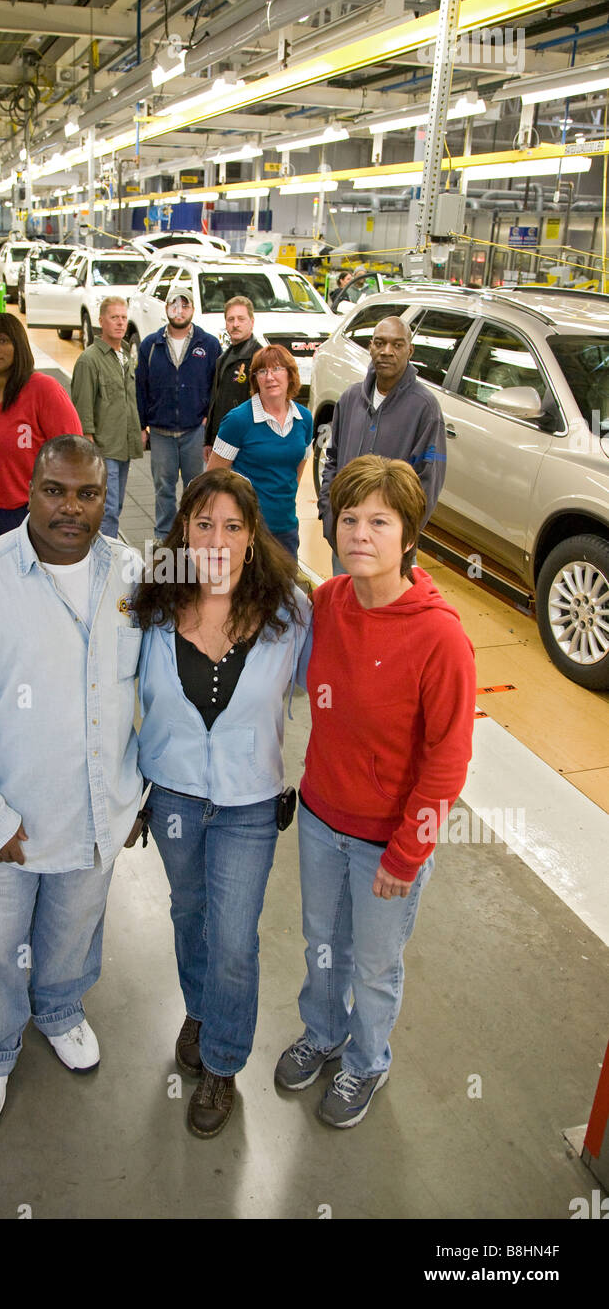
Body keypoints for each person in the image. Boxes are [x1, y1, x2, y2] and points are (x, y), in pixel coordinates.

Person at [0, 436, 144, 1129]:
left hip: (97, 811)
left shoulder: (133, 575)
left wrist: (138, 794)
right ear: (31, 489)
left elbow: (156, 690)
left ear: (108, 498)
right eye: (56, 491)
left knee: (74, 929)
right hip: (6, 821)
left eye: (89, 494)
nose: (71, 508)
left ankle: (61, 1010)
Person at [276, 454, 475, 1127]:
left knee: (375, 967)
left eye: (379, 521)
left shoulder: (439, 636)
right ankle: (323, 1031)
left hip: (386, 841)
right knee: (321, 943)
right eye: (349, 518)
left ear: (408, 535)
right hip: (320, 818)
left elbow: (448, 759)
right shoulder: (329, 602)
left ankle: (366, 1063)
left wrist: (406, 854)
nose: (359, 533)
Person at [133, 469, 311, 1138]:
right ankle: (201, 1007)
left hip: (249, 805)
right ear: (183, 530)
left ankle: (223, 1063)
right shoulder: (149, 606)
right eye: (203, 523)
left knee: (234, 937)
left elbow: (337, 688)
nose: (216, 538)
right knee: (189, 913)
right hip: (173, 795)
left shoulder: (291, 612)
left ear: (251, 538)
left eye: (232, 527)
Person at [318, 315, 446, 574]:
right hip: (346, 539)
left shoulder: (424, 408)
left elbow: (428, 483)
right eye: (380, 343)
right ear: (371, 346)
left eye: (397, 345)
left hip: (391, 548)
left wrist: (401, 538)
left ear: (410, 351)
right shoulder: (351, 399)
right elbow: (332, 459)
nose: (387, 351)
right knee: (346, 608)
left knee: (387, 612)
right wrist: (329, 515)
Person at [0, 312, 82, 551]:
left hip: (19, 518)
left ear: (20, 346)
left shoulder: (43, 390)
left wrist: (56, 506)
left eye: (3, 341)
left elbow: (74, 455)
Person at [208, 344, 313, 560]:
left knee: (285, 592)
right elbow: (213, 478)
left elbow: (295, 473)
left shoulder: (305, 419)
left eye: (277, 369)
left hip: (286, 529)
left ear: (290, 375)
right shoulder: (238, 420)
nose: (269, 377)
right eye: (262, 371)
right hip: (247, 529)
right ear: (255, 379)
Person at [135, 283, 221, 542]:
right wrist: (142, 425)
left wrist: (209, 418)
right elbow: (140, 387)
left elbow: (216, 385)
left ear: (193, 309)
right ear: (166, 308)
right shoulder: (151, 345)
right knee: (164, 488)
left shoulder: (208, 344)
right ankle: (164, 538)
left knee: (196, 488)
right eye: (174, 304)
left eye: (185, 305)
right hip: (161, 433)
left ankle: (194, 536)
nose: (179, 310)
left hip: (195, 431)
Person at [70, 296, 143, 538]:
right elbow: (82, 408)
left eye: (123, 318)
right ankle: (106, 557)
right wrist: (89, 445)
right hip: (103, 449)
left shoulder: (124, 356)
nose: (120, 323)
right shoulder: (89, 360)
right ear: (101, 321)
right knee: (107, 509)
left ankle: (104, 547)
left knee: (117, 506)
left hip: (123, 447)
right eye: (114, 318)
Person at [203, 295, 262, 455]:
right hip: (222, 440)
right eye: (230, 319)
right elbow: (215, 401)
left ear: (252, 321)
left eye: (241, 319)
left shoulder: (259, 358)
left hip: (247, 443)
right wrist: (208, 440)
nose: (235, 324)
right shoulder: (223, 358)